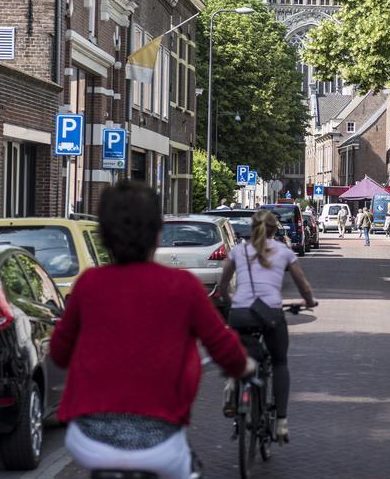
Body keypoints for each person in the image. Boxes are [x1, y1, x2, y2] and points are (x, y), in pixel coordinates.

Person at [51, 181, 254, 478]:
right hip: (160, 441)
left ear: (104, 236)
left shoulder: (88, 285)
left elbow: (58, 353)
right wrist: (244, 366)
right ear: (157, 235)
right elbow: (222, 346)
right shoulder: (183, 287)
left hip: (88, 438)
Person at [216, 209, 317, 444]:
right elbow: (302, 285)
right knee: (280, 362)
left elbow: (222, 286)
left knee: (239, 351)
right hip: (270, 313)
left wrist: (232, 303)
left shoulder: (238, 251)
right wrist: (309, 301)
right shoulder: (284, 251)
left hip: (240, 313)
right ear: (275, 230)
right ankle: (281, 421)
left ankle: (233, 383)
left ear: (252, 228)